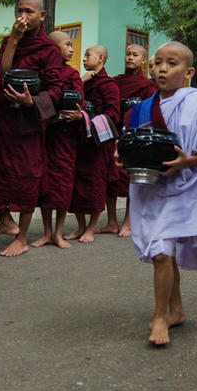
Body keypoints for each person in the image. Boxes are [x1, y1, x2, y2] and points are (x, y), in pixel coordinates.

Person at [117, 41, 197, 345]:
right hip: (149, 188)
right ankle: (176, 309)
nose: (162, 69)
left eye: (171, 63)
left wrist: (187, 160)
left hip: (183, 189)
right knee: (164, 254)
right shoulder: (141, 108)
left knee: (162, 253)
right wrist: (122, 155)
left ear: (188, 72)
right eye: (157, 63)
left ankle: (160, 317)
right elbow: (129, 142)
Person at [0, 0, 67, 256]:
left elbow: (56, 89)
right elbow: (2, 74)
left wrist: (33, 102)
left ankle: (21, 236)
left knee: (27, 176)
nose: (22, 17)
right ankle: (6, 221)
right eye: (19, 11)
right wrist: (15, 41)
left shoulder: (49, 49)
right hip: (3, 119)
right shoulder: (10, 41)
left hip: (28, 122)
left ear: (41, 16)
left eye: (29, 12)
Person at [31, 31, 84, 249]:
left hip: (65, 138)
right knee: (46, 186)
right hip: (46, 136)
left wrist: (79, 115)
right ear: (53, 48)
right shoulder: (42, 73)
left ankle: (59, 233)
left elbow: (81, 100)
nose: (72, 49)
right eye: (67, 45)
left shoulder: (72, 74)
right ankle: (46, 233)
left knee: (63, 186)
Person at [98, 44, 156, 238]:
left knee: (132, 180)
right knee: (111, 179)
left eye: (135, 55)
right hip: (114, 135)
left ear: (144, 60)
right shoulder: (115, 82)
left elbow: (150, 112)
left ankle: (128, 222)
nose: (130, 57)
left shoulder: (148, 86)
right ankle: (111, 221)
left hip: (134, 136)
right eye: (128, 54)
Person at [67, 45, 121, 243]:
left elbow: (114, 115)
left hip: (99, 142)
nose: (83, 59)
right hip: (80, 140)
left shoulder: (109, 85)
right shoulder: (84, 82)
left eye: (87, 55)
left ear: (100, 58)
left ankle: (91, 227)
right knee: (76, 186)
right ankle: (80, 226)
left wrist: (86, 119)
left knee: (96, 186)